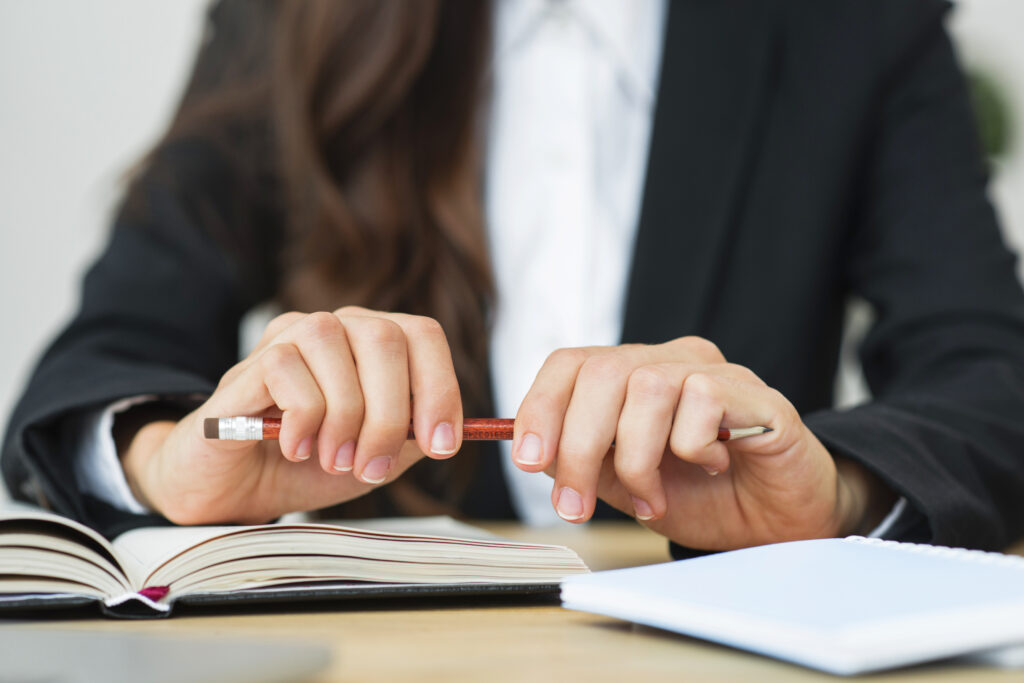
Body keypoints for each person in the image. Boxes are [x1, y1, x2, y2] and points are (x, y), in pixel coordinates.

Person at [4, 0, 1024, 556]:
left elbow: (991, 373)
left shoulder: (860, 25)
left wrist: (834, 494)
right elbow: (99, 360)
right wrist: (168, 460)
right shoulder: (286, 18)